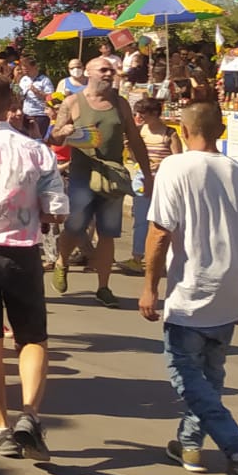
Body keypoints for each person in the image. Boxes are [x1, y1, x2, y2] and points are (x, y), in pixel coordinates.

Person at [139, 101, 238, 475]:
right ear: (218, 129)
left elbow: (159, 234)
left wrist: (150, 286)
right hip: (229, 293)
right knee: (210, 377)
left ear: (184, 126)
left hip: (191, 293)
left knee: (188, 379)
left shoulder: (175, 168)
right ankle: (189, 443)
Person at [0, 74, 68, 462]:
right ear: (12, 106)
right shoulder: (35, 150)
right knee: (32, 338)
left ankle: (1, 424)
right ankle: (30, 413)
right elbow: (56, 209)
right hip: (22, 250)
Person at [51, 55, 152, 308]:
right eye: (104, 70)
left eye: (112, 70)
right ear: (88, 72)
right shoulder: (73, 102)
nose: (110, 74)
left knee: (108, 233)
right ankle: (61, 260)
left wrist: (147, 174)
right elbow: (54, 138)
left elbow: (136, 139)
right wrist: (62, 132)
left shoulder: (121, 104)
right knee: (75, 226)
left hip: (112, 177)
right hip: (82, 175)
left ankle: (104, 287)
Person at [115, 96, 183, 277]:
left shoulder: (170, 134)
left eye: (142, 113)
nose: (139, 116)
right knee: (140, 220)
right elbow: (135, 159)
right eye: (137, 112)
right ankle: (137, 259)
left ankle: (163, 260)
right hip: (142, 178)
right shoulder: (139, 132)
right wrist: (130, 149)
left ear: (155, 113)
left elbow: (178, 160)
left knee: (164, 221)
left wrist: (161, 165)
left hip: (164, 180)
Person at [16, 56, 55, 140]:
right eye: (23, 68)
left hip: (40, 115)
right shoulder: (23, 79)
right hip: (26, 114)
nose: (24, 70)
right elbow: (19, 94)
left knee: (38, 140)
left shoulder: (44, 80)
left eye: (26, 68)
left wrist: (37, 92)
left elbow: (51, 98)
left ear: (34, 67)